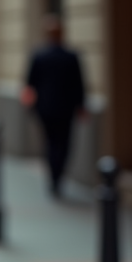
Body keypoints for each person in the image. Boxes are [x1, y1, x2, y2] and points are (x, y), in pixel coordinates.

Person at [22, 14, 87, 198]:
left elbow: (29, 83)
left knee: (51, 143)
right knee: (64, 144)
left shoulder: (40, 55)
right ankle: (57, 177)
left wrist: (30, 106)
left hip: (47, 109)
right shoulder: (70, 56)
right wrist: (81, 106)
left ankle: (54, 178)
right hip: (65, 109)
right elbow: (79, 84)